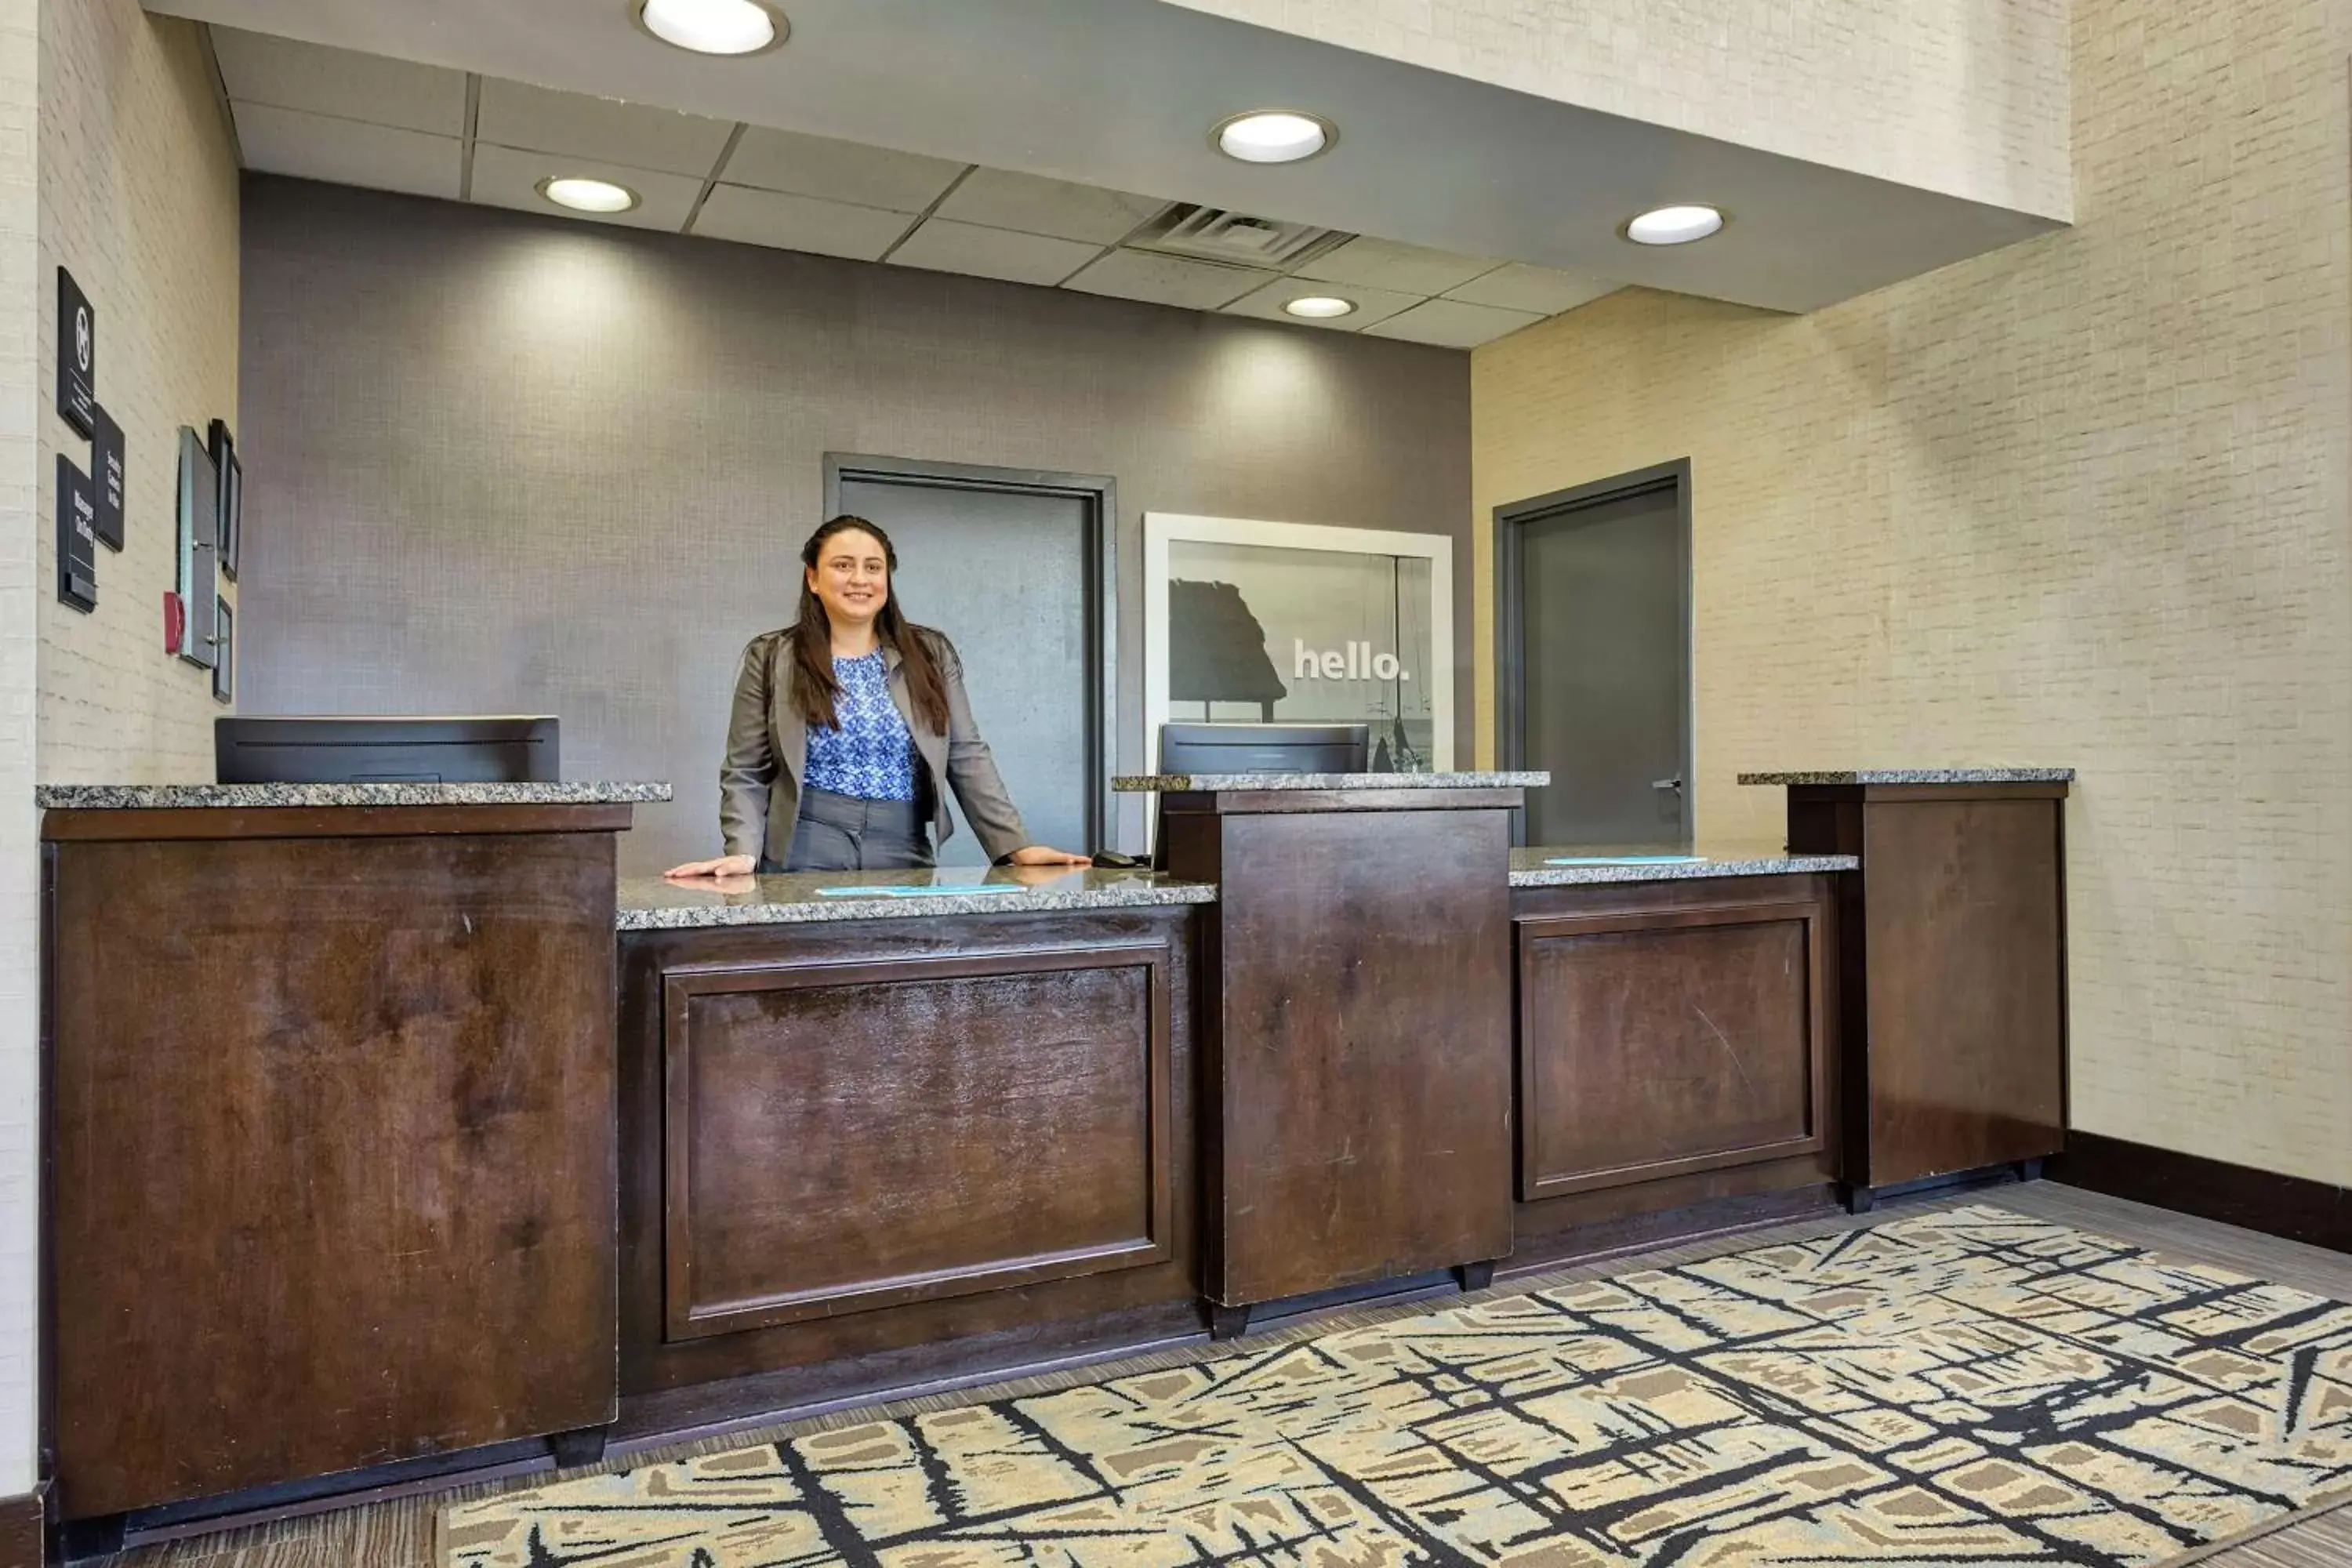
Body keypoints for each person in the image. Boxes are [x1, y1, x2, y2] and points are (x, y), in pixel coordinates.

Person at [665, 515, 1092, 878]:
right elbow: (745, 769)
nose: (860, 579)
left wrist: (1016, 846)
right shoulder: (773, 656)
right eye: (843, 565)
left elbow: (966, 754)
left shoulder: (929, 653)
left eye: (873, 567)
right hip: (804, 843)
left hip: (902, 841)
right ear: (813, 578)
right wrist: (742, 851)